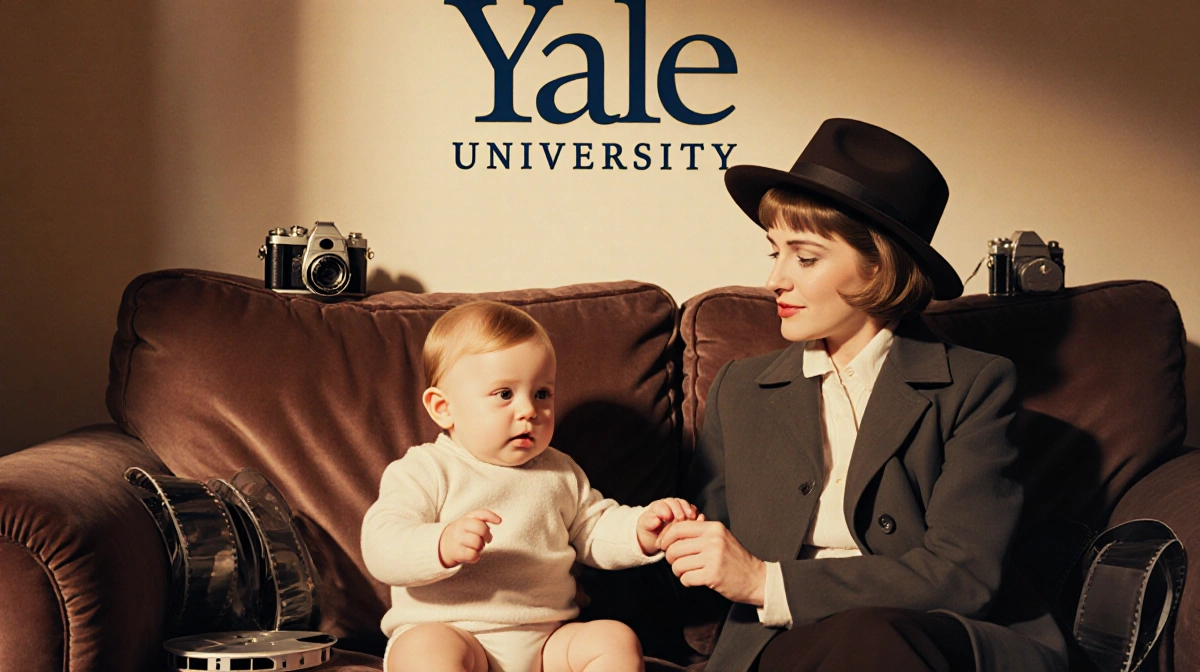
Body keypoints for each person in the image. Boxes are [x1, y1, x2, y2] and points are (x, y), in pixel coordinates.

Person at [655, 119, 1070, 672]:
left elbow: (963, 574)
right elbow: (700, 565)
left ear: (878, 265)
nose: (775, 280)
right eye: (773, 253)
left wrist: (763, 579)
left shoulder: (976, 384)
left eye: (804, 258)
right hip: (784, 644)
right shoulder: (741, 390)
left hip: (930, 634)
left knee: (873, 636)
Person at [361, 300, 697, 672]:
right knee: (425, 651)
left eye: (542, 393)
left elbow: (593, 528)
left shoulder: (560, 471)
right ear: (443, 408)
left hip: (546, 640)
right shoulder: (425, 470)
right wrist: (439, 543)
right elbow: (382, 544)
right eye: (504, 394)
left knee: (614, 640)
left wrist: (642, 530)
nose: (529, 411)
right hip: (452, 632)